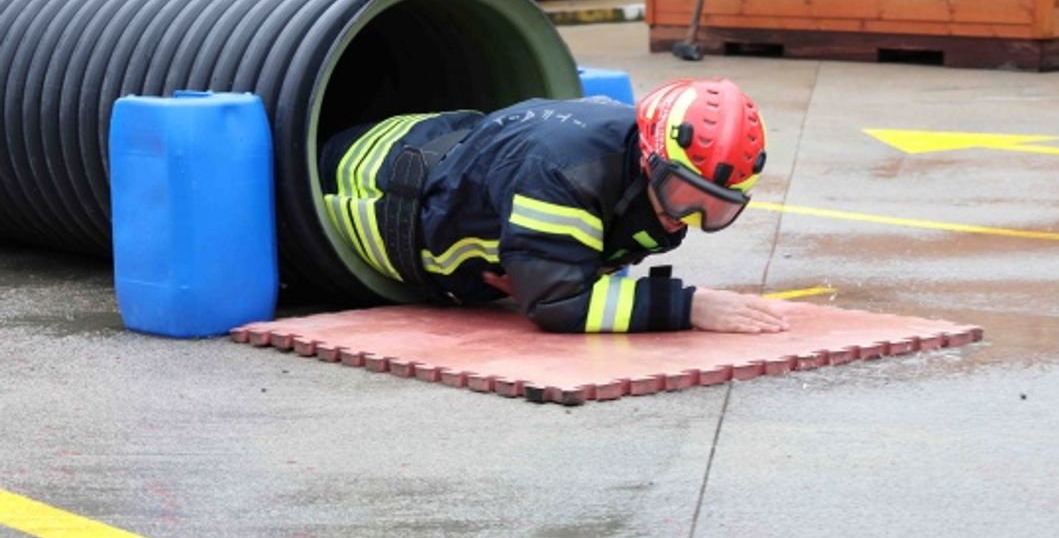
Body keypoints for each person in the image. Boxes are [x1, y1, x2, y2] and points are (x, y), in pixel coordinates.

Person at [319, 78, 790, 335]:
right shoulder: (566, 171)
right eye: (685, 196)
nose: (686, 217)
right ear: (650, 156)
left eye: (715, 210)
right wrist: (690, 306)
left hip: (428, 142)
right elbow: (559, 304)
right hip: (365, 195)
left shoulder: (628, 149)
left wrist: (540, 268)